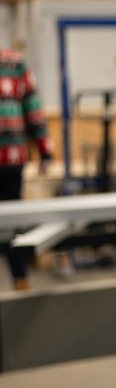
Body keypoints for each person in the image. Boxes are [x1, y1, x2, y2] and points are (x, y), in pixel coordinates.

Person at [0, 48, 54, 291]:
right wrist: (45, 150)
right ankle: (20, 281)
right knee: (12, 225)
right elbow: (34, 111)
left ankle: (21, 281)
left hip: (11, 159)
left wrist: (44, 150)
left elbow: (33, 108)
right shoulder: (15, 62)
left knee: (12, 225)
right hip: (12, 156)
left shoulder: (16, 63)